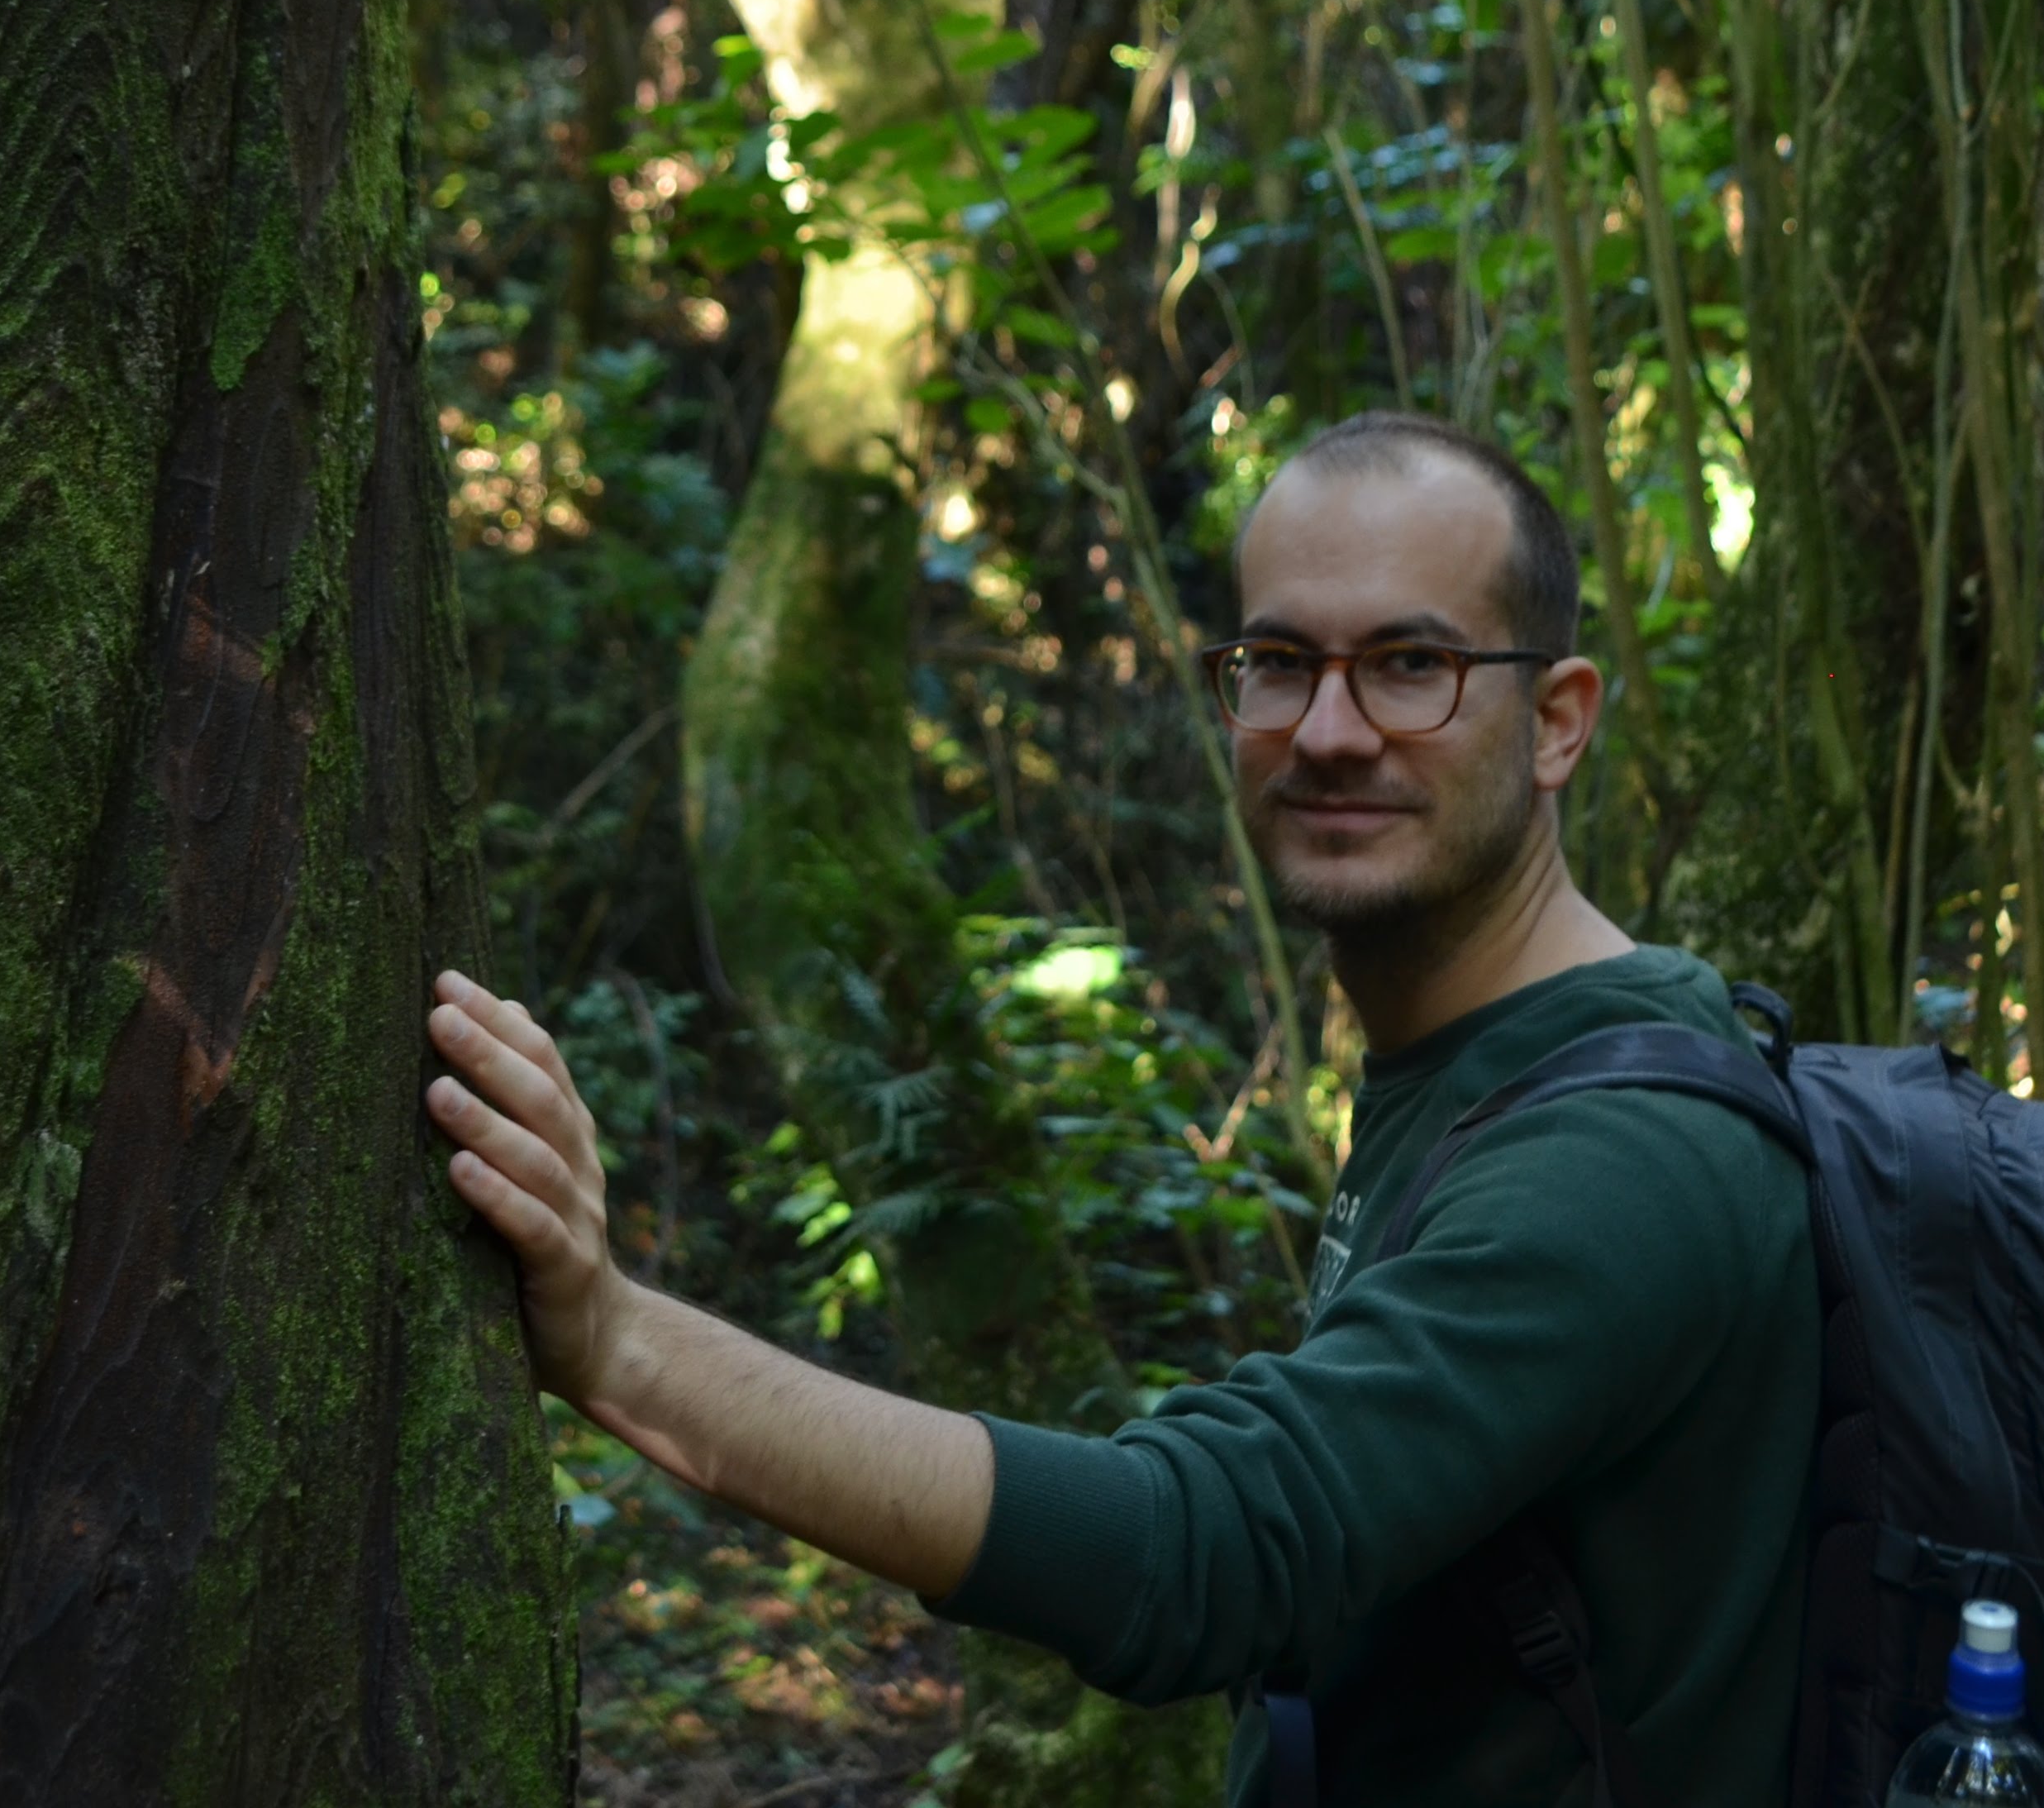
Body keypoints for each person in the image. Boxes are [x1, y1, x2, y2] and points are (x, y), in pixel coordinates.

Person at [426, 411, 1816, 1804]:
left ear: (1558, 720)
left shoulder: (1627, 1159)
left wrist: (616, 1341)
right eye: (1278, 664)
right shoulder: (1467, 1058)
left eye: (1412, 666)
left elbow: (1198, 1553)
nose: (1328, 732)